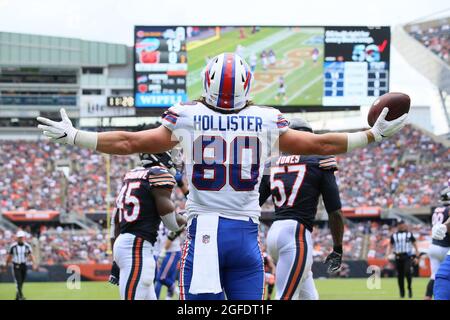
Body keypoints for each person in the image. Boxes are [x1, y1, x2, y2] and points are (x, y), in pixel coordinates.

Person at [37, 52, 408, 300]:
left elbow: (129, 141)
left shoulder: (186, 116)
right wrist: (372, 135)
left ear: (208, 82)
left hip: (205, 235)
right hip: (246, 238)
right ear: (247, 85)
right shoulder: (266, 119)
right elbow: (322, 145)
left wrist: (76, 136)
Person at [259, 118, 344, 300]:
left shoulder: (271, 164)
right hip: (295, 236)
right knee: (285, 296)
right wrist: (338, 248)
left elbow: (254, 202)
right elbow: (335, 211)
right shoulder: (320, 162)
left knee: (309, 297)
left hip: (274, 233)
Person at [109, 152, 186, 300]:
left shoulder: (132, 174)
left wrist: (115, 259)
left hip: (125, 245)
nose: (174, 158)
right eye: (170, 153)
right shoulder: (158, 174)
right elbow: (172, 224)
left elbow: (115, 221)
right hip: (137, 249)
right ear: (159, 155)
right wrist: (187, 218)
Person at [425, 185, 450, 299]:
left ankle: (427, 296)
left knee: (435, 275)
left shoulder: (436, 210)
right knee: (442, 276)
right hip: (445, 245)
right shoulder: (447, 210)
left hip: (433, 244)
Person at [386, 220, 419, 298]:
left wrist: (417, 256)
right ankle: (402, 291)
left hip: (407, 256)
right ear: (398, 226)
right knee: (400, 275)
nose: (402, 226)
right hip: (398, 256)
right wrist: (387, 254)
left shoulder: (409, 234)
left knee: (407, 272)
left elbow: (415, 244)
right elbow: (390, 245)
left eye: (403, 224)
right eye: (400, 224)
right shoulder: (394, 235)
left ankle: (409, 288)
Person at [155, 225, 184, 300]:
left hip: (172, 251)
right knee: (168, 278)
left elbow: (172, 235)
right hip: (162, 251)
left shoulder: (174, 220)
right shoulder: (159, 221)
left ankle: (179, 293)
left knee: (161, 277)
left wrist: (163, 250)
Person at [5, 230, 37, 300]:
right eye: (19, 237)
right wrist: (6, 264)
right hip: (16, 265)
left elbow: (31, 255)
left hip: (24, 265)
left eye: (22, 237)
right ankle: (21, 296)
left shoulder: (27, 246)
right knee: (18, 281)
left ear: (24, 238)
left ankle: (17, 296)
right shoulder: (13, 246)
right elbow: (9, 256)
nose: (21, 238)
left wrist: (34, 264)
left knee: (22, 281)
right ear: (17, 238)